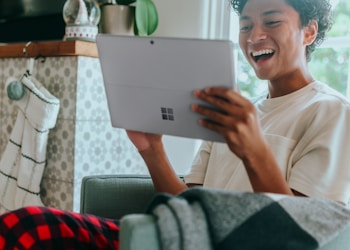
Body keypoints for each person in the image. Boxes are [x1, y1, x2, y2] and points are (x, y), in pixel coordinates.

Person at [1, 0, 349, 249]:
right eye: (245, 26)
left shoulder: (332, 113)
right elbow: (188, 204)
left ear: (309, 31)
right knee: (25, 224)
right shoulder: (234, 112)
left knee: (28, 227)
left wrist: (253, 150)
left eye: (271, 22)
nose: (254, 35)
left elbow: (301, 232)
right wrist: (152, 150)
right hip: (181, 236)